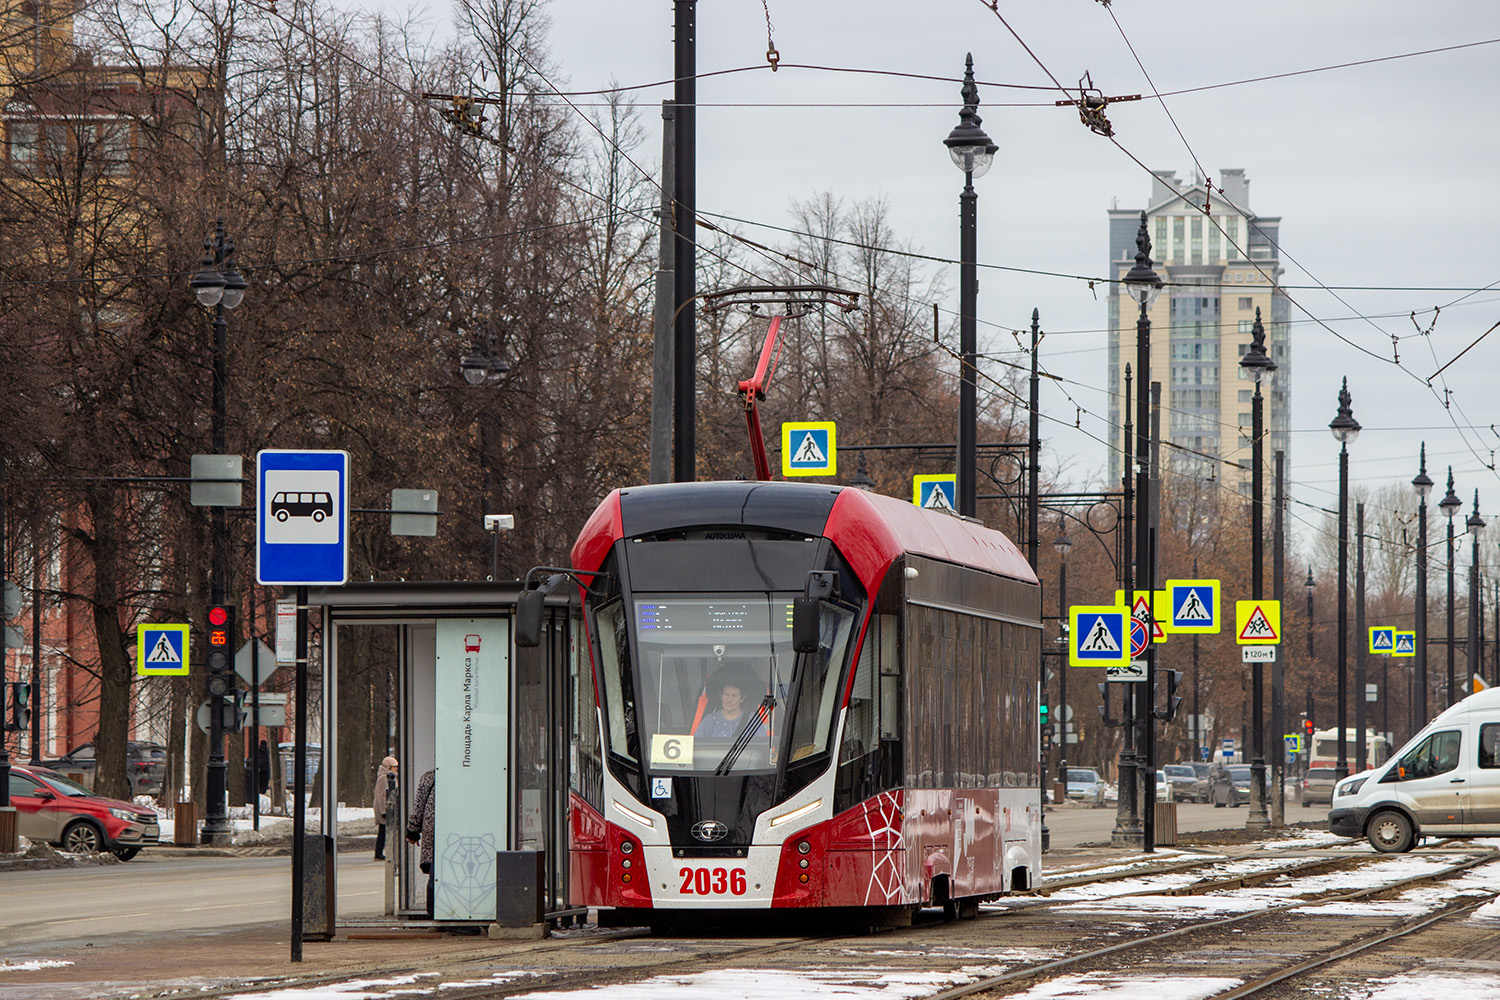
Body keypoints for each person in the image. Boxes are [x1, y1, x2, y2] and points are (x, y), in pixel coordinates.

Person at [406, 768, 435, 917]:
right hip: (452, 832)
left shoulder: (430, 776)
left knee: (435, 873)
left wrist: (413, 831)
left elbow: (419, 806)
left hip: (435, 830)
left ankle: (433, 913)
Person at [373, 755, 398, 860]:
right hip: (384, 809)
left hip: (387, 808)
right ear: (389, 767)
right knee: (384, 831)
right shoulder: (384, 778)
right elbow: (380, 795)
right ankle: (379, 852)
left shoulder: (388, 776)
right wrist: (384, 810)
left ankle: (380, 851)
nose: (396, 768)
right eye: (394, 766)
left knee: (384, 831)